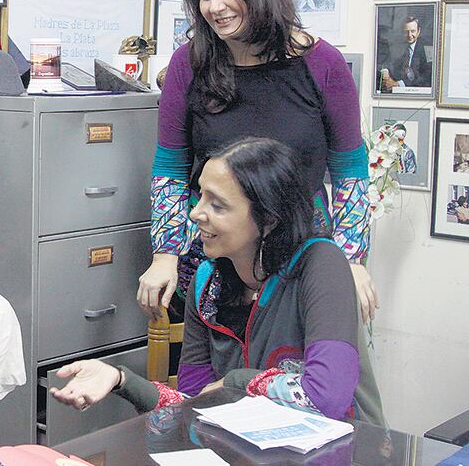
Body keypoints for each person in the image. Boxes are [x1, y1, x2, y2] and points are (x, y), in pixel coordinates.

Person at [53, 138, 385, 425]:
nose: (196, 213)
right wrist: (121, 379)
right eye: (199, 198)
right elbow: (195, 405)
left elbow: (326, 398)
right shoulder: (206, 283)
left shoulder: (321, 264)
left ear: (267, 218)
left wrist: (236, 381)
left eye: (217, 204)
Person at [138, 0, 377, 325]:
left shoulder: (323, 64)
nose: (216, 6)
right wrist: (165, 253)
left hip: (302, 261)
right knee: (213, 382)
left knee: (297, 381)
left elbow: (351, 172)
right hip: (213, 262)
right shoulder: (189, 63)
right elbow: (170, 169)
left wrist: (350, 260)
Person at [379, 16, 432, 93]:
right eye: (406, 31)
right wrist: (386, 73)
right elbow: (386, 63)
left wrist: (399, 84)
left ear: (418, 31)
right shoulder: (396, 46)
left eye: (412, 31)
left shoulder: (427, 48)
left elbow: (427, 76)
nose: (409, 35)